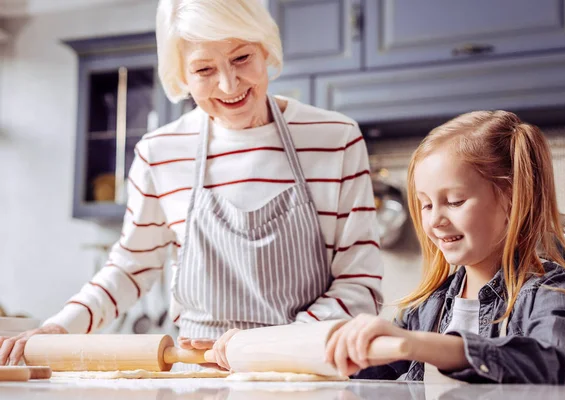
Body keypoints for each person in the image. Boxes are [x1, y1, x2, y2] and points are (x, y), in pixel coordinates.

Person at [0, 0, 383, 369]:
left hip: (304, 370)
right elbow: (131, 267)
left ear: (266, 49)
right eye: (204, 70)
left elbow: (360, 284)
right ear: (181, 76)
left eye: (241, 58)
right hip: (200, 373)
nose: (229, 83)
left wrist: (272, 347)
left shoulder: (335, 137)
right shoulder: (160, 153)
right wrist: (57, 329)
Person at [324, 110, 565, 384]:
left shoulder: (553, 289)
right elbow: (367, 378)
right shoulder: (427, 305)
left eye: (454, 201)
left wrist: (419, 344)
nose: (435, 220)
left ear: (513, 200)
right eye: (426, 205)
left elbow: (552, 363)